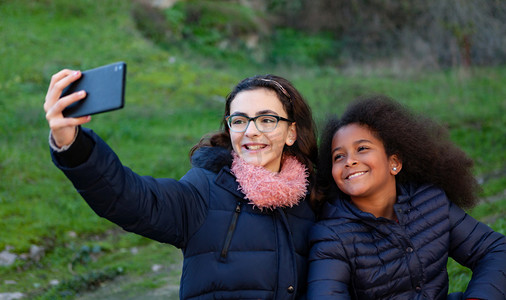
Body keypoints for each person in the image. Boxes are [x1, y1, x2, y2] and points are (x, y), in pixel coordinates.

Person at [44, 69, 318, 299]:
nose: (251, 131)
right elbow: (130, 199)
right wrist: (72, 144)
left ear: (291, 132)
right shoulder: (203, 189)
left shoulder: (316, 199)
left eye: (267, 120)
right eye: (240, 120)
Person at [307, 95, 506, 300]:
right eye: (338, 156)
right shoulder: (331, 236)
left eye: (362, 148)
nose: (349, 161)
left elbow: (496, 250)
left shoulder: (430, 201)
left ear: (394, 162)